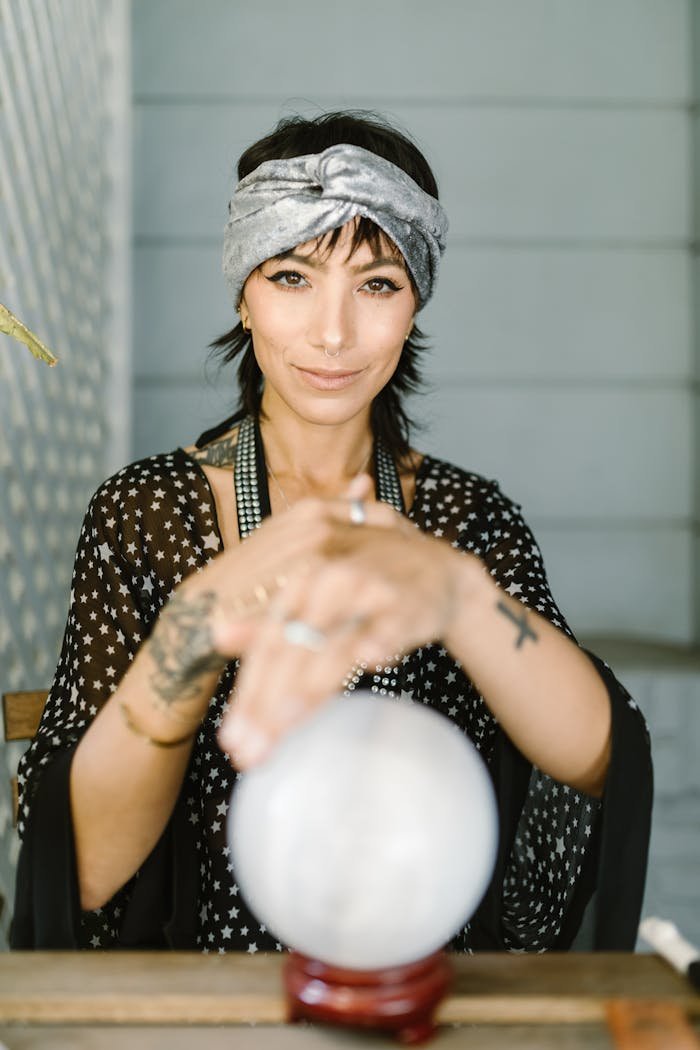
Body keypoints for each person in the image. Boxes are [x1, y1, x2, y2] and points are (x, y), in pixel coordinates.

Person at [12, 111, 652, 953]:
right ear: (243, 292)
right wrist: (198, 624)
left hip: (423, 992)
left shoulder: (466, 518)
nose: (333, 333)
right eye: (292, 278)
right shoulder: (147, 511)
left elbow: (604, 759)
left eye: (377, 285)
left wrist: (460, 596)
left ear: (414, 302)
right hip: (203, 1002)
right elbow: (82, 865)